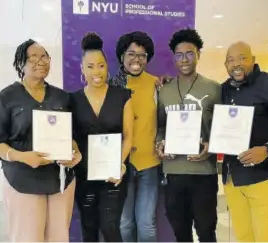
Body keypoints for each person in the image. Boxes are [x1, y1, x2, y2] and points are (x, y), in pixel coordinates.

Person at [0, 39, 81, 242]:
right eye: (33, 57)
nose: (41, 61)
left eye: (44, 56)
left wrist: (75, 153)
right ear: (21, 64)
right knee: (28, 238)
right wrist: (21, 157)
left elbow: (71, 136)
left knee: (59, 237)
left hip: (59, 180)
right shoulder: (6, 97)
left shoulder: (62, 97)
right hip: (23, 179)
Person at [156, 28, 221, 242]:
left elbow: (222, 128)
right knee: (180, 232)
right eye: (179, 54)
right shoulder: (164, 90)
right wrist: (160, 145)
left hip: (204, 172)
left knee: (206, 232)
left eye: (190, 53)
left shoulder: (214, 89)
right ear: (174, 58)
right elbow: (160, 126)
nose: (184, 59)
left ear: (199, 54)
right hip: (174, 173)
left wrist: (210, 146)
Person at [70, 32, 134, 242]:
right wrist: (74, 151)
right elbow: (70, 136)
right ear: (82, 69)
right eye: (90, 66)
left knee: (110, 227)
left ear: (107, 66)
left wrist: (118, 164)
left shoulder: (122, 96)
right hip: (84, 174)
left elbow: (128, 137)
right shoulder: (73, 100)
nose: (96, 71)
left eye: (100, 65)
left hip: (113, 175)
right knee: (89, 229)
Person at [222, 41, 268, 242]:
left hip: (265, 178)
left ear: (253, 60)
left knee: (266, 238)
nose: (236, 64)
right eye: (231, 60)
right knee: (244, 237)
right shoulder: (224, 90)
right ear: (226, 65)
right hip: (233, 180)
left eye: (242, 58)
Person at [109, 31, 160, 242]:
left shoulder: (158, 85)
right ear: (122, 56)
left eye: (142, 55)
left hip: (150, 163)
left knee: (146, 223)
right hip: (121, 162)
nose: (136, 59)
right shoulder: (111, 86)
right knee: (124, 222)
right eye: (131, 53)